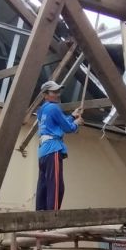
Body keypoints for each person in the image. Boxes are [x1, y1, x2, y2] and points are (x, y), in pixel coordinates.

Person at [35, 80, 82, 211]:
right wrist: (76, 123)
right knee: (56, 187)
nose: (57, 94)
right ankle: (53, 219)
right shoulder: (54, 108)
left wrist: (72, 116)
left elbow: (58, 123)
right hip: (53, 148)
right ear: (45, 94)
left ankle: (39, 216)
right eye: (54, 92)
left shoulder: (42, 110)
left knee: (43, 185)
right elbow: (67, 128)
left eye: (58, 91)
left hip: (43, 151)